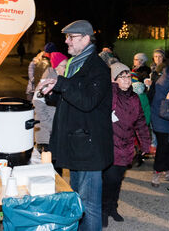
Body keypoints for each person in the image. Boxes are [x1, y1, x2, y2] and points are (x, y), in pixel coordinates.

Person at [40, 20, 113, 231]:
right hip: (77, 142)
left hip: (90, 146)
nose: (66, 41)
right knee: (77, 200)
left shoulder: (97, 67)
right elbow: (72, 97)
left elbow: (88, 101)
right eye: (66, 37)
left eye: (71, 37)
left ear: (86, 38)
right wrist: (53, 94)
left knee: (89, 205)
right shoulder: (75, 63)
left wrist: (61, 84)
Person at [102, 63, 150, 227]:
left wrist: (145, 144)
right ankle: (103, 210)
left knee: (117, 181)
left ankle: (112, 208)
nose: (126, 80)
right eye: (122, 76)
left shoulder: (134, 98)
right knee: (109, 179)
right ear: (114, 80)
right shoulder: (109, 95)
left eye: (128, 76)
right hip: (110, 146)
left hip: (127, 146)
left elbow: (141, 122)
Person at [33, 52, 68, 153]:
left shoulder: (58, 79)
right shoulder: (47, 80)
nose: (66, 69)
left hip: (53, 134)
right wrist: (52, 127)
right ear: (56, 67)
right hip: (46, 137)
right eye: (64, 66)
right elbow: (37, 105)